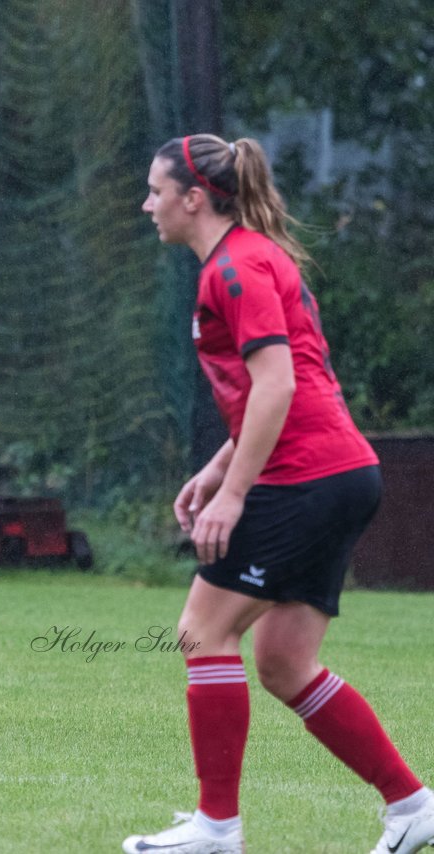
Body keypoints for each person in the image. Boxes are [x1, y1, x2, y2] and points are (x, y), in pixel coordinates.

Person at [124, 134, 434, 854]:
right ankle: (413, 805)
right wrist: (218, 467)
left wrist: (233, 495)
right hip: (338, 474)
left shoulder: (234, 269)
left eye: (155, 190)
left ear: (193, 198)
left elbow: (280, 386)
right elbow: (276, 390)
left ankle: (216, 829)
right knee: (285, 663)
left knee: (204, 628)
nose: (147, 205)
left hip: (307, 478)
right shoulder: (254, 258)